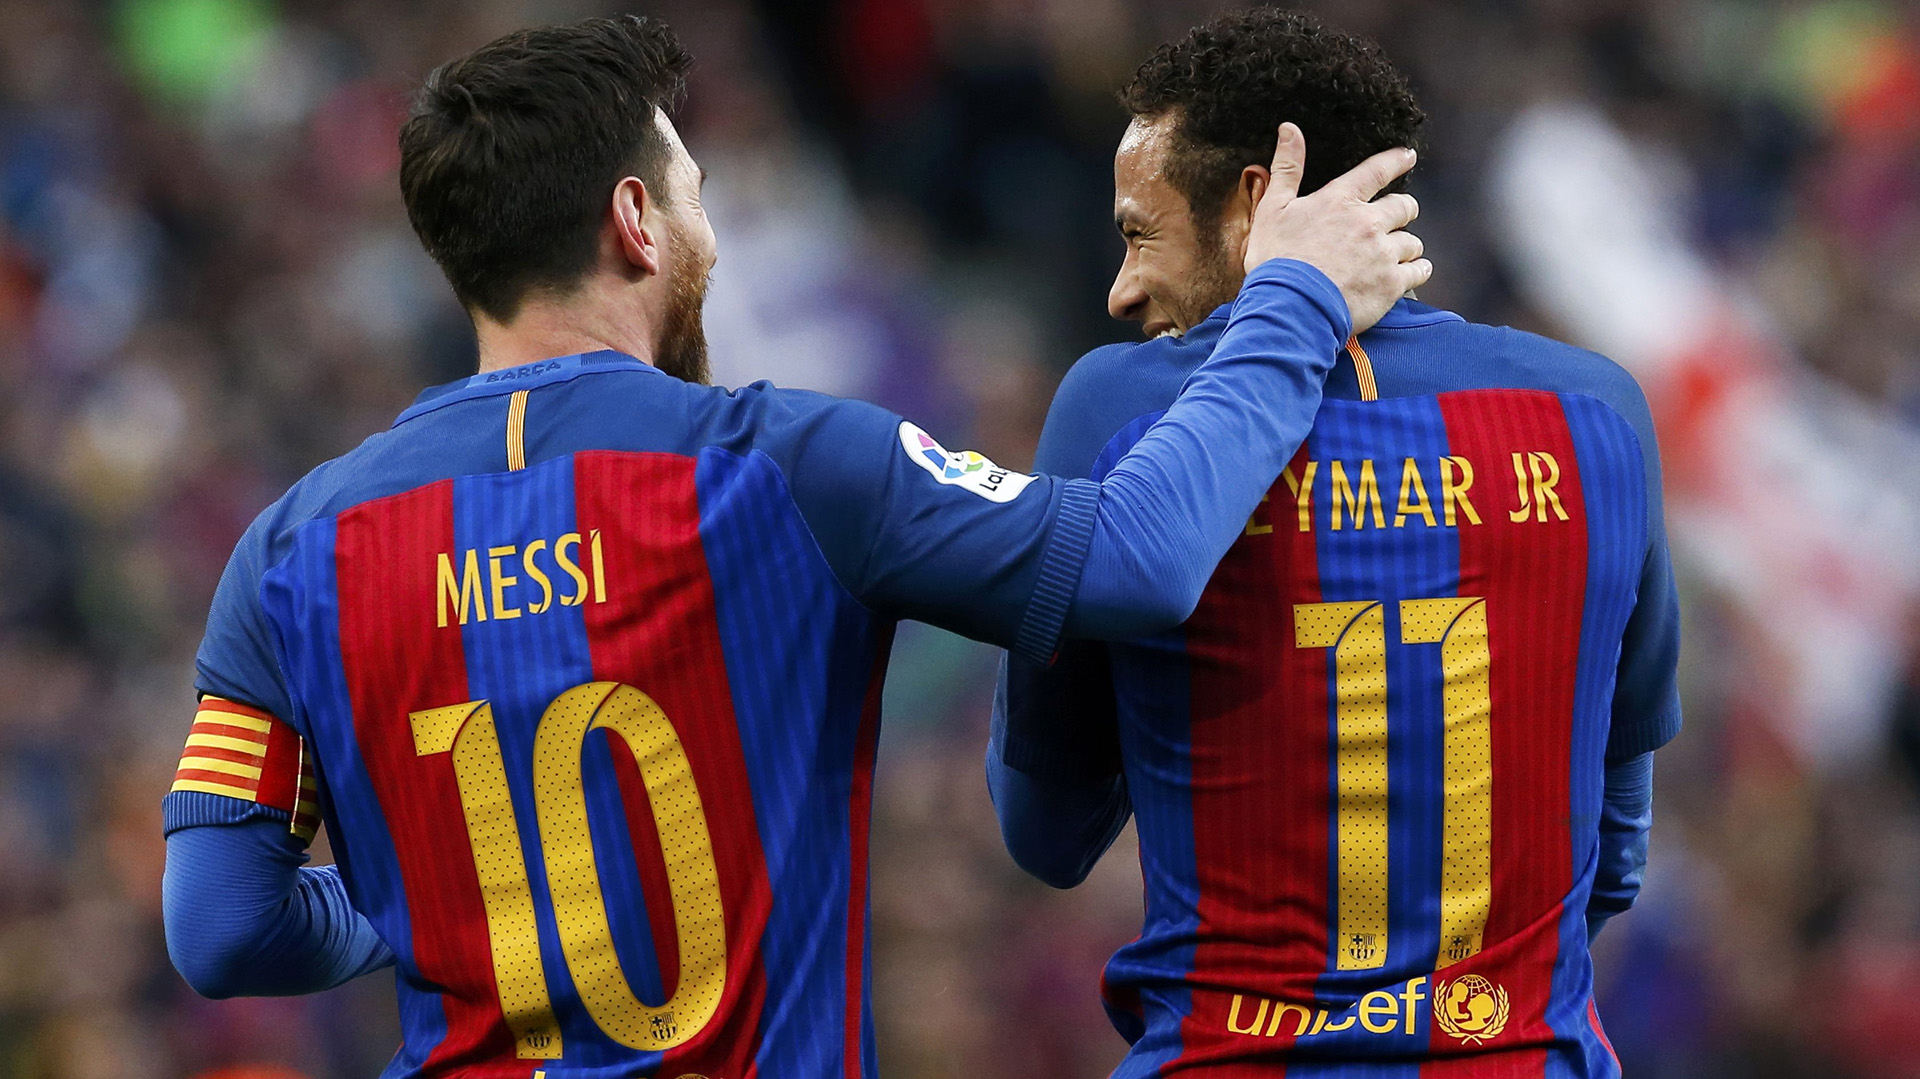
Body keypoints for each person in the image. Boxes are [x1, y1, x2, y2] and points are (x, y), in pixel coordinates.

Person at [156, 14, 1429, 1078]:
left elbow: (221, 928)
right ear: (637, 222)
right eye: (701, 201)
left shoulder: (288, 550)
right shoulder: (791, 466)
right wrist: (1294, 298)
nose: (711, 240)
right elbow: (1140, 559)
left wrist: (431, 902)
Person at [988, 10, 1680, 1078]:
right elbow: (1612, 855)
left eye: (1139, 231)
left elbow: (1046, 832)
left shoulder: (1119, 412)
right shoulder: (1599, 411)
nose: (1120, 288)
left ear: (1260, 203)